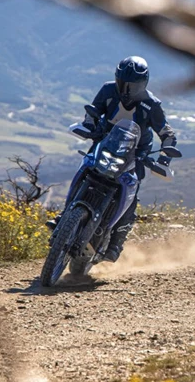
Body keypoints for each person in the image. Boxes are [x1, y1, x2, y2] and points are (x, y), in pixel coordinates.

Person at [48, 56, 178, 262]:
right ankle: (64, 217)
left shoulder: (152, 105)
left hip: (136, 154)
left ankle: (116, 243)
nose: (126, 90)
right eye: (122, 83)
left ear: (143, 84)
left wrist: (164, 158)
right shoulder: (108, 91)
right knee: (84, 171)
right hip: (105, 144)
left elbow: (167, 133)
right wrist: (89, 126)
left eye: (132, 85)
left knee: (130, 195)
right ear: (116, 79)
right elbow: (93, 111)